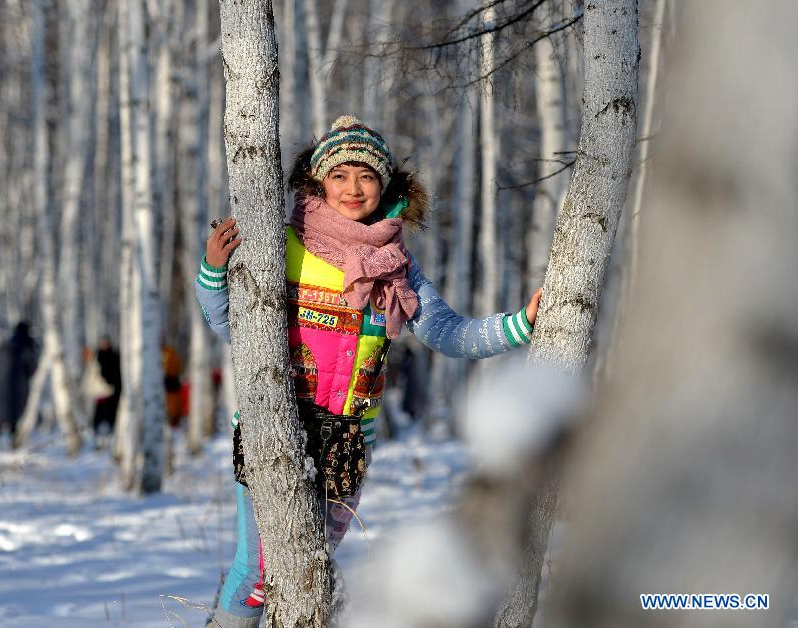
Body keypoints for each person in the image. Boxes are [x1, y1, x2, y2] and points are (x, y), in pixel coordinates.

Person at [195, 115, 542, 628]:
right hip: (277, 426)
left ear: (385, 185)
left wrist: (524, 324)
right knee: (260, 567)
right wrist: (214, 272)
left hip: (350, 441)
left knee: (309, 568)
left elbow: (447, 332)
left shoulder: (395, 265)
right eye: (340, 175)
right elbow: (235, 330)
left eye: (367, 176)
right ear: (319, 180)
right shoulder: (281, 245)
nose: (353, 189)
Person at [0, 321, 39, 441]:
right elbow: (32, 369)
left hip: (1, 384)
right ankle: (14, 435)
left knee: (1, 408)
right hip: (18, 386)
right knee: (16, 411)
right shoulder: (25, 348)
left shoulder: (4, 346)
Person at [89, 336, 121, 447]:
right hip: (101, 391)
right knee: (98, 416)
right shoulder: (97, 356)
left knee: (112, 416)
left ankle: (112, 436)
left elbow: (118, 373)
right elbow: (92, 373)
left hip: (113, 391)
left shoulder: (115, 355)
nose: (104, 345)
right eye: (102, 343)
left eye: (105, 343)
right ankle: (97, 437)